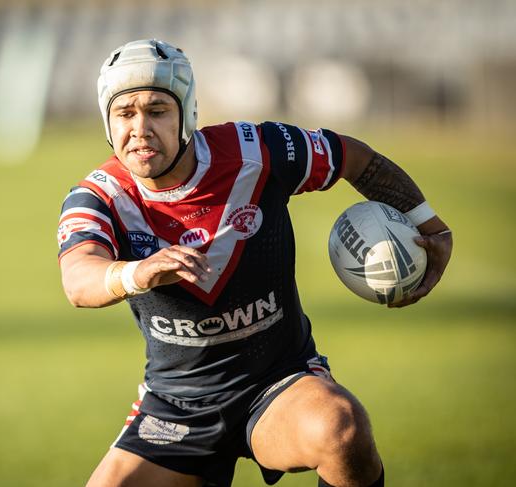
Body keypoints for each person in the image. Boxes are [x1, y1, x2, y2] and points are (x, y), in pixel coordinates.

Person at [57, 39, 452, 487]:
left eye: (158, 111)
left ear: (187, 113)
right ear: (108, 123)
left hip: (277, 382)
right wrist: (136, 272)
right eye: (125, 113)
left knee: (343, 429)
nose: (141, 128)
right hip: (176, 406)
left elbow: (354, 158)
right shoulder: (98, 195)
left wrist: (430, 225)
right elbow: (79, 278)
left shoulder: (258, 150)